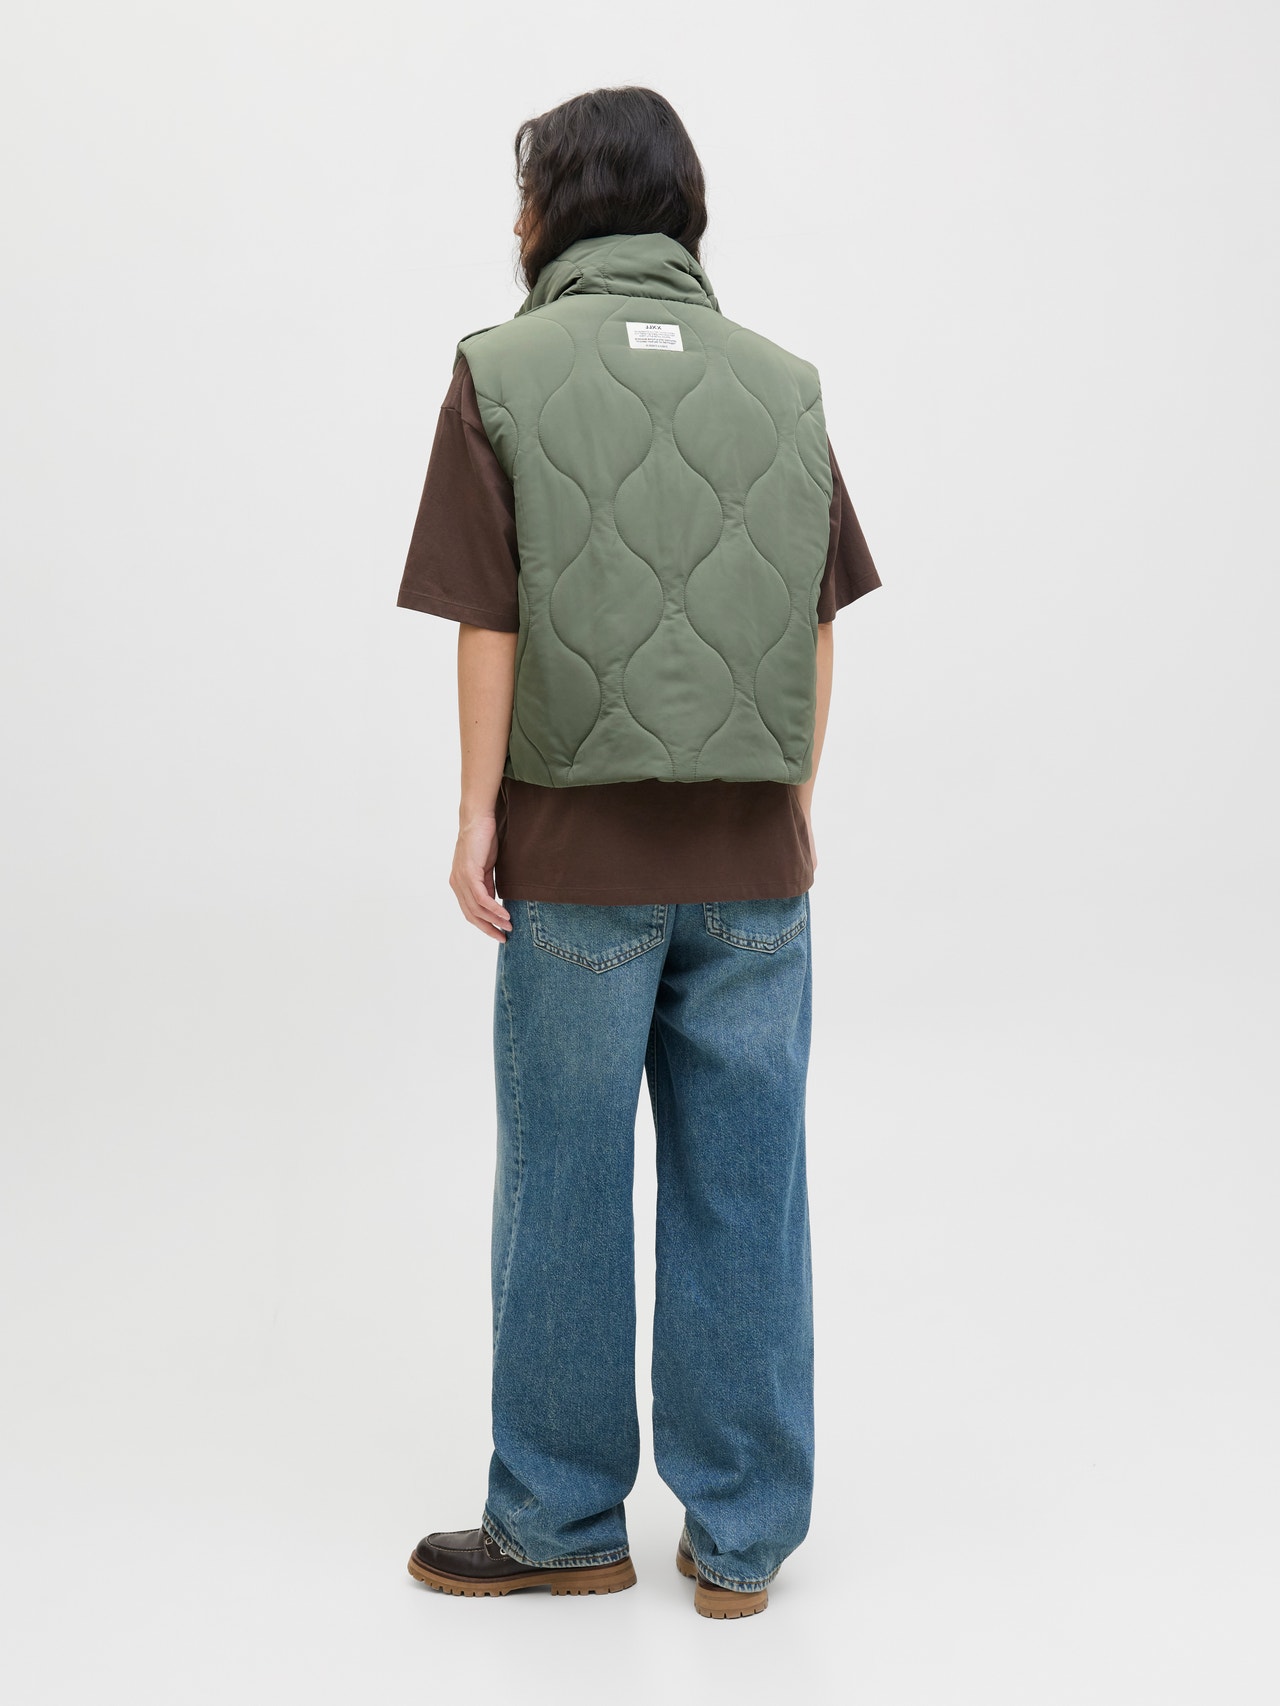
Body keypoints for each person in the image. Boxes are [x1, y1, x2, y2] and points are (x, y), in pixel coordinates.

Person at [396, 86, 881, 1620]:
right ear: (685, 211)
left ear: (552, 213)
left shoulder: (502, 372)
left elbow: (493, 618)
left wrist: (478, 814)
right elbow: (815, 617)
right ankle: (741, 1540)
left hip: (578, 861)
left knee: (564, 1181)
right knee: (748, 1187)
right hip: (756, 861)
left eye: (523, 195)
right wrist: (794, 799)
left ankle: (559, 1519)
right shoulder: (782, 384)